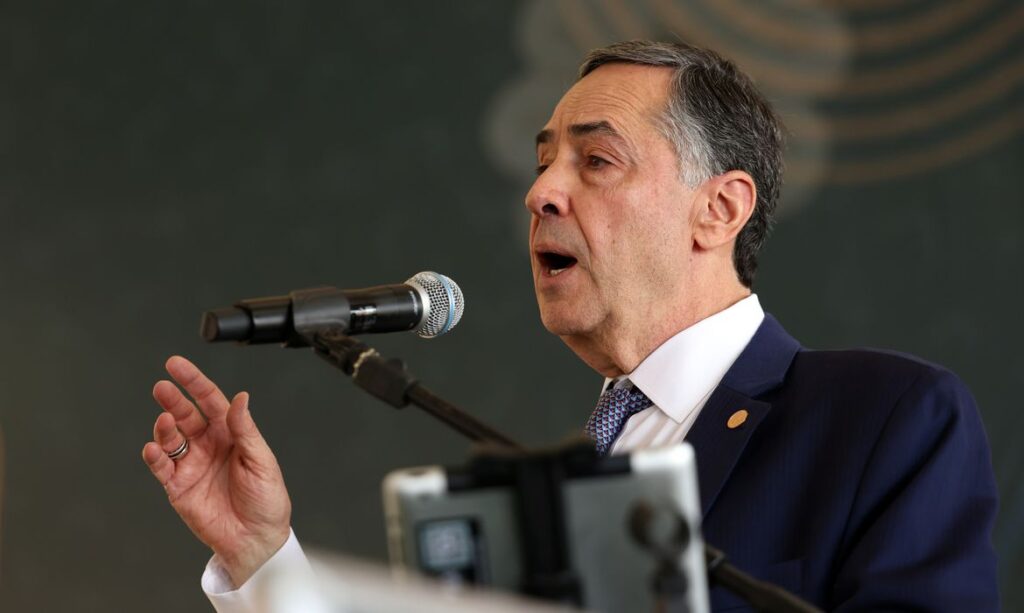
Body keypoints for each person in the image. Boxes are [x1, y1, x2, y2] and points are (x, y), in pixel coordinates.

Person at [142, 41, 999, 611]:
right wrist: (263, 559)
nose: (541, 191)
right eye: (545, 159)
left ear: (719, 209)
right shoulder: (564, 476)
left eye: (596, 160)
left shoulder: (880, 416)